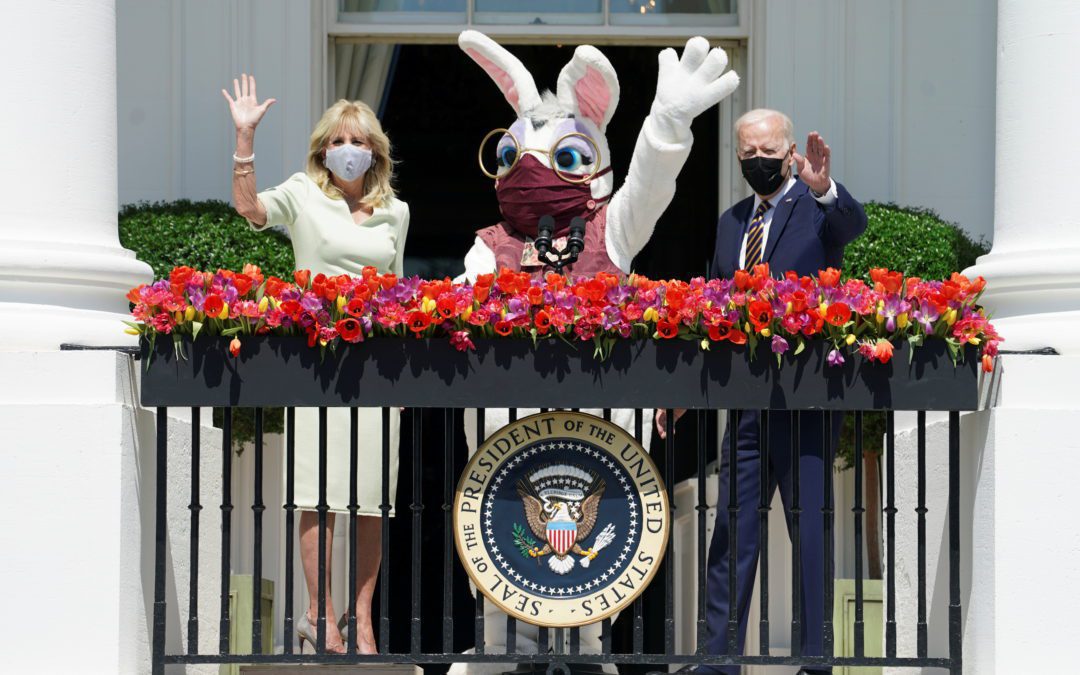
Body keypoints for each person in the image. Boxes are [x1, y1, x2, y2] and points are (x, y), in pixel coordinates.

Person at [656, 108, 867, 675]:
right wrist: (683, 390)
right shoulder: (731, 223)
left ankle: (817, 661)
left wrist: (825, 191)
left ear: (792, 151)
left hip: (804, 404)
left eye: (767, 153)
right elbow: (711, 316)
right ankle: (720, 658)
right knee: (732, 531)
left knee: (810, 531)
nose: (757, 163)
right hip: (746, 408)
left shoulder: (815, 211)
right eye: (746, 154)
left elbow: (852, 226)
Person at [224, 73, 409, 654]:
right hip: (316, 362)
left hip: (377, 366)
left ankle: (361, 618)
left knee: (372, 498)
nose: (347, 151)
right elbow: (251, 210)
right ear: (323, 150)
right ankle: (317, 616)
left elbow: (400, 290)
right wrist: (245, 141)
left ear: (373, 152)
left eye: (358, 142)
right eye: (337, 141)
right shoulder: (305, 193)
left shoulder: (394, 213)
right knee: (320, 492)